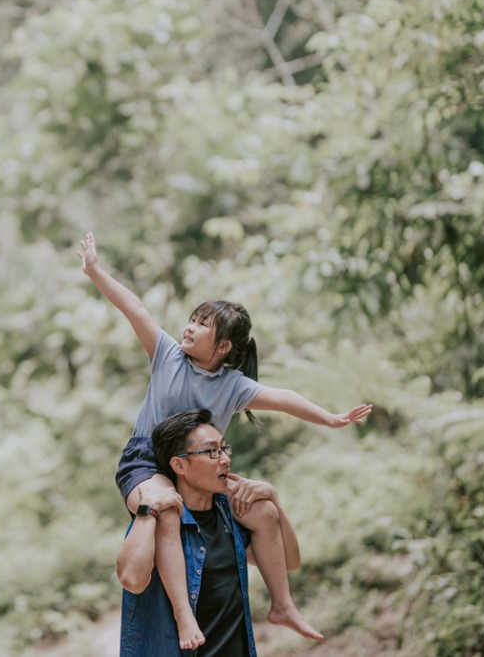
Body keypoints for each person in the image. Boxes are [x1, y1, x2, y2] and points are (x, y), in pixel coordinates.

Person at [78, 232, 372, 648]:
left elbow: (284, 399)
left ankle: (282, 605)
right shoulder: (166, 354)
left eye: (202, 325)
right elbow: (135, 307)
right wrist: (94, 270)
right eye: (192, 319)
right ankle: (184, 617)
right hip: (147, 463)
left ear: (224, 346)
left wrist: (330, 418)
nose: (189, 327)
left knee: (263, 510)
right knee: (167, 510)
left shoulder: (233, 386)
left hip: (202, 466)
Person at [118, 408, 298, 656]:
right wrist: (147, 509)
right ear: (179, 464)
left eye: (224, 449)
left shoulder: (229, 517)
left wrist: (274, 500)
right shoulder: (159, 520)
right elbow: (131, 580)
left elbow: (289, 562)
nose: (224, 458)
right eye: (212, 451)